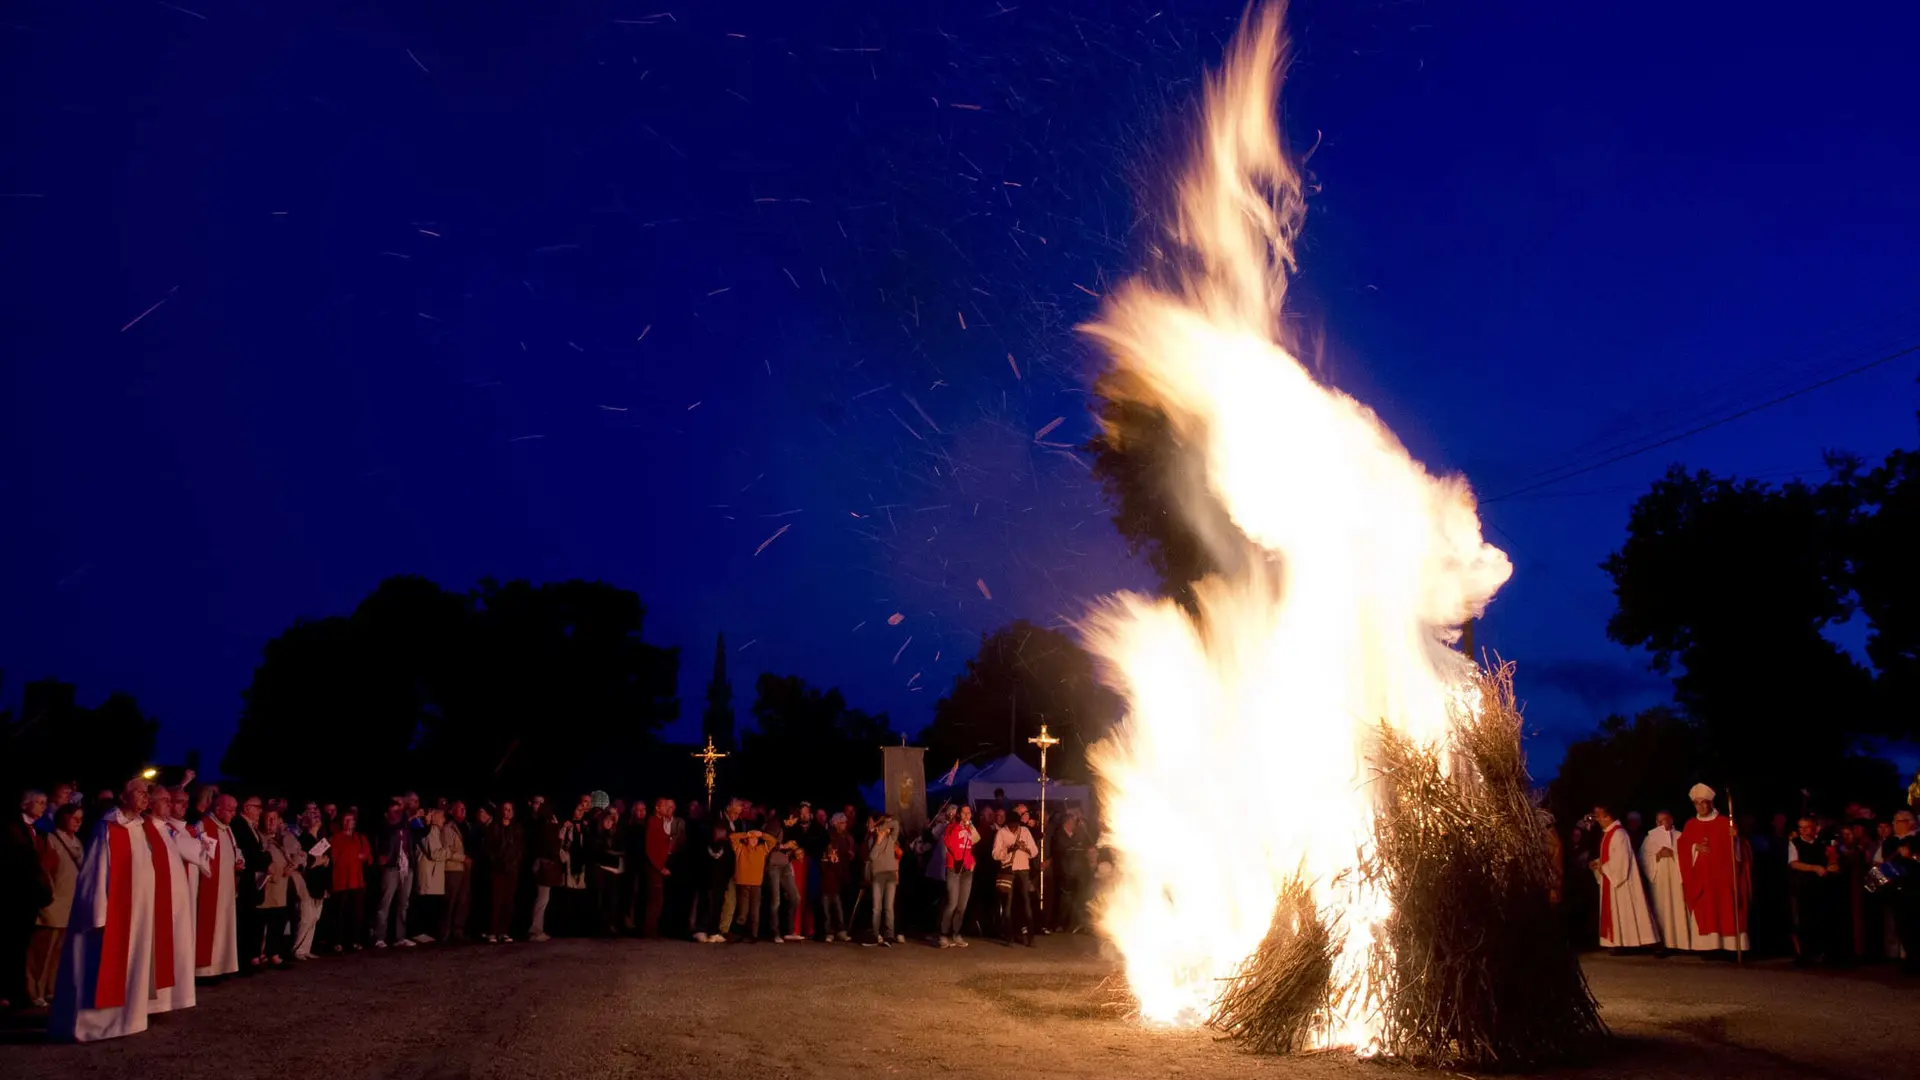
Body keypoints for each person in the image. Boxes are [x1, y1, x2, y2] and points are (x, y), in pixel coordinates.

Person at [48, 777, 160, 1042]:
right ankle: (92, 1025)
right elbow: (96, 872)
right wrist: (99, 913)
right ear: (123, 796)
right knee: (97, 968)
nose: (146, 797)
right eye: (140, 792)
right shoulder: (108, 827)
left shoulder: (137, 827)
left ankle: (127, 1020)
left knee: (132, 965)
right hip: (112, 914)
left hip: (136, 913)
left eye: (148, 793)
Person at [145, 787, 201, 1014]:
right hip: (159, 899)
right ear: (151, 803)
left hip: (177, 898)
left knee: (178, 946)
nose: (169, 804)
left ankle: (171, 999)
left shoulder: (168, 829)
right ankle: (154, 1001)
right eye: (165, 800)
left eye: (171, 800)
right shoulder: (144, 828)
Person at [1677, 783, 1749, 956]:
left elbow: (1741, 852)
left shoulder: (1725, 822)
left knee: (1727, 909)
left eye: (1704, 802)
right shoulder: (1691, 825)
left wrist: (1736, 839)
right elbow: (1682, 846)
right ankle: (1708, 948)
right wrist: (1695, 848)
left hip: (1724, 878)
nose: (1701, 806)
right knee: (1706, 910)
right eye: (1697, 803)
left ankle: (1731, 948)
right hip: (1702, 880)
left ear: (1711, 803)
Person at [27, 803, 83, 1008]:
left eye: (80, 817)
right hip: (53, 905)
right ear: (62, 818)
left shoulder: (77, 841)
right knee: (42, 953)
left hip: (70, 905)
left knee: (59, 952)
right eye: (74, 817)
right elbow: (45, 871)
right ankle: (35, 992)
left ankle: (51, 989)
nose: (78, 821)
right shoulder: (51, 840)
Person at [6, 790, 53, 1011]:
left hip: (30, 896)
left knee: (22, 944)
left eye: (45, 803)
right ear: (25, 804)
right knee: (13, 945)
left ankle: (17, 991)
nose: (43, 807)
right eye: (39, 803)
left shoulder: (38, 831)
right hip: (16, 895)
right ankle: (12, 993)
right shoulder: (13, 828)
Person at [1589, 804, 1656, 951]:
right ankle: (1618, 943)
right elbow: (1610, 857)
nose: (1597, 819)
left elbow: (1621, 860)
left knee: (1624, 909)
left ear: (1608, 816)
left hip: (1621, 882)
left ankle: (1628, 943)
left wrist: (1604, 867)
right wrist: (1598, 863)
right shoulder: (1608, 833)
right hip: (1611, 878)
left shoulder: (1619, 834)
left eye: (1599, 815)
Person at [193, 794, 242, 978]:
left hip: (226, 887)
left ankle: (221, 966)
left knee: (224, 926)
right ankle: (205, 970)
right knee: (210, 926)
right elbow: (200, 856)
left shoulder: (227, 829)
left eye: (235, 809)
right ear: (218, 809)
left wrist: (238, 861)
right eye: (230, 809)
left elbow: (235, 850)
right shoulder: (203, 826)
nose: (233, 814)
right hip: (209, 887)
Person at [1639, 810, 1693, 954]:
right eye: (1659, 821)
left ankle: (1682, 943)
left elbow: (1690, 856)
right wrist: (1657, 856)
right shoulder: (1650, 839)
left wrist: (1674, 855)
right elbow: (1643, 858)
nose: (1662, 824)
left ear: (1671, 820)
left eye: (1665, 820)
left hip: (1676, 881)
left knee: (1678, 908)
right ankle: (1662, 943)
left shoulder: (1680, 836)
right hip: (1660, 883)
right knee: (1661, 910)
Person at [1785, 816, 1834, 965]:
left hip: (1820, 887)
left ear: (1815, 828)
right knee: (1801, 920)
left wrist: (1832, 866)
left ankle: (1820, 953)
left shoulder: (1823, 843)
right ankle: (1803, 955)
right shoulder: (1795, 843)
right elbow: (1794, 863)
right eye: (1801, 827)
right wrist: (1814, 868)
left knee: (1819, 919)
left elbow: (1832, 859)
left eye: (1807, 827)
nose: (1803, 831)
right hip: (1801, 886)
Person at [993, 804, 1041, 947]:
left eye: (1016, 825)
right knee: (1008, 903)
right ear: (1008, 824)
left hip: (1024, 870)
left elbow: (1035, 851)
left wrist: (1024, 848)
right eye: (1012, 825)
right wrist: (1009, 849)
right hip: (1009, 871)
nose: (1014, 827)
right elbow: (995, 854)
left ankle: (1030, 936)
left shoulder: (1025, 831)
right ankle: (1009, 936)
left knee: (1026, 903)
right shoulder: (1001, 833)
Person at [231, 795, 270, 970]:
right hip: (245, 880)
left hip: (253, 880)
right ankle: (245, 958)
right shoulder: (239, 825)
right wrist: (265, 857)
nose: (260, 811)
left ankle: (252, 955)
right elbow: (250, 853)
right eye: (258, 807)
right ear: (247, 807)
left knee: (252, 918)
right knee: (245, 919)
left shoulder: (251, 827)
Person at [371, 803, 415, 948]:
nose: (397, 814)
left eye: (399, 812)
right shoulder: (385, 827)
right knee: (385, 903)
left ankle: (400, 937)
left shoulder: (406, 827)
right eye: (394, 812)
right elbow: (384, 840)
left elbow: (422, 831)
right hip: (391, 868)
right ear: (387, 814)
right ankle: (379, 937)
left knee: (404, 904)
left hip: (406, 867)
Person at [327, 810, 371, 952]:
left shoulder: (360, 837)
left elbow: (368, 857)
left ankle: (355, 940)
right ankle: (337, 941)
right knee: (339, 912)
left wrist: (363, 856)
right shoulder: (335, 838)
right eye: (345, 820)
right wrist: (354, 855)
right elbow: (335, 858)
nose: (348, 823)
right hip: (341, 880)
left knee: (357, 913)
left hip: (357, 880)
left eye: (350, 820)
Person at [256, 809, 296, 966]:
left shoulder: (283, 839)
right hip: (267, 886)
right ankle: (260, 953)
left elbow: (298, 853)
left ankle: (274, 953)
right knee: (262, 922)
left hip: (281, 888)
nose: (271, 823)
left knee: (278, 922)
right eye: (268, 819)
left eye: (274, 819)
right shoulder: (260, 838)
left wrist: (293, 865)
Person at [291, 805, 329, 960]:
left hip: (319, 881)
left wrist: (325, 861)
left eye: (317, 815)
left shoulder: (320, 839)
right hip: (307, 882)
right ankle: (297, 949)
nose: (316, 818)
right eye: (313, 816)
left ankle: (306, 948)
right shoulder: (304, 839)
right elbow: (307, 862)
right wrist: (319, 861)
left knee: (314, 917)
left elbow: (324, 859)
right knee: (306, 917)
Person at [938, 805, 979, 948]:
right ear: (959, 814)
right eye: (964, 813)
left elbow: (976, 840)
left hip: (967, 870)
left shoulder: (970, 828)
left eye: (969, 813)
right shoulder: (952, 827)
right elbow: (948, 842)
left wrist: (972, 862)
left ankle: (956, 933)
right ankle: (943, 934)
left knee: (962, 905)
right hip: (954, 868)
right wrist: (958, 825)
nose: (967, 815)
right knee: (952, 903)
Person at [483, 801, 523, 944]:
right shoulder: (494, 827)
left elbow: (519, 848)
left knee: (508, 901)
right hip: (498, 869)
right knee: (495, 901)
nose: (507, 812)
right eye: (505, 809)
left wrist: (515, 861)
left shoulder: (517, 828)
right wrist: (497, 860)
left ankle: (504, 931)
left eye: (509, 810)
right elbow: (489, 848)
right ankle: (492, 931)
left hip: (512, 869)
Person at [411, 806, 449, 945]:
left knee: (432, 906)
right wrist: (449, 851)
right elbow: (434, 853)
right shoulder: (430, 831)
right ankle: (421, 933)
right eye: (441, 816)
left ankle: (428, 933)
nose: (444, 820)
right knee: (426, 905)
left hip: (434, 875)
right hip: (429, 875)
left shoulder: (436, 831)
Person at [1052, 810, 1094, 934]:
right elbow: (1058, 851)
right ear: (1067, 822)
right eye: (1072, 821)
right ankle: (1059, 923)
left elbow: (1086, 846)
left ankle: (1072, 924)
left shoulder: (1077, 834)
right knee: (1064, 899)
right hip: (1063, 871)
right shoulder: (1059, 835)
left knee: (1077, 899)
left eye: (1075, 822)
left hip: (1076, 871)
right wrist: (1070, 850)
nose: (1074, 824)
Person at [642, 798, 679, 938]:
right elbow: (650, 848)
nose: (667, 809)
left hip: (657, 866)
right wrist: (660, 867)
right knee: (655, 899)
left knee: (657, 899)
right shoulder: (652, 822)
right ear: (657, 808)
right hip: (654, 867)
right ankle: (649, 931)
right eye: (664, 806)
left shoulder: (660, 821)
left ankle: (652, 930)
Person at [586, 808, 625, 936]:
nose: (609, 823)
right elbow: (598, 852)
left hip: (614, 870)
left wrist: (614, 853)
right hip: (601, 869)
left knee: (612, 898)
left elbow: (622, 850)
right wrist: (612, 853)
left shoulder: (616, 835)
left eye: (611, 821)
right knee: (600, 898)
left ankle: (610, 924)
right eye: (607, 821)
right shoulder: (597, 835)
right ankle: (599, 926)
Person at [865, 814, 902, 946]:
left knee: (889, 907)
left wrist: (884, 825)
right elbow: (872, 856)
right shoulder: (872, 839)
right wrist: (878, 841)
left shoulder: (891, 838)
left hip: (890, 874)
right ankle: (875, 934)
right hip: (878, 874)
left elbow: (896, 824)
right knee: (876, 907)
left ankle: (889, 935)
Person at [729, 824, 771, 943]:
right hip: (743, 883)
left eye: (755, 838)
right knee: (742, 911)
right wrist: (746, 834)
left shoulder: (762, 849)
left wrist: (762, 834)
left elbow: (772, 841)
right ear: (747, 839)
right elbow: (732, 837)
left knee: (755, 911)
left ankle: (754, 935)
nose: (753, 840)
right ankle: (738, 934)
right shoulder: (740, 848)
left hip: (756, 884)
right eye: (751, 838)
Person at [819, 813, 856, 942]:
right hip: (828, 875)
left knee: (839, 906)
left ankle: (840, 930)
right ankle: (828, 931)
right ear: (835, 823)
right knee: (827, 907)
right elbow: (827, 854)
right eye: (842, 822)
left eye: (845, 823)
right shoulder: (829, 835)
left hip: (840, 875)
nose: (845, 825)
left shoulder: (846, 836)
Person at [440, 801, 473, 943]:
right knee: (450, 901)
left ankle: (458, 930)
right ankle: (445, 932)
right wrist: (463, 858)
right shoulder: (448, 828)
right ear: (451, 811)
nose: (463, 811)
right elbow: (447, 851)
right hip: (453, 868)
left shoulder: (468, 826)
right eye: (460, 808)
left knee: (463, 900)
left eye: (464, 808)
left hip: (466, 868)